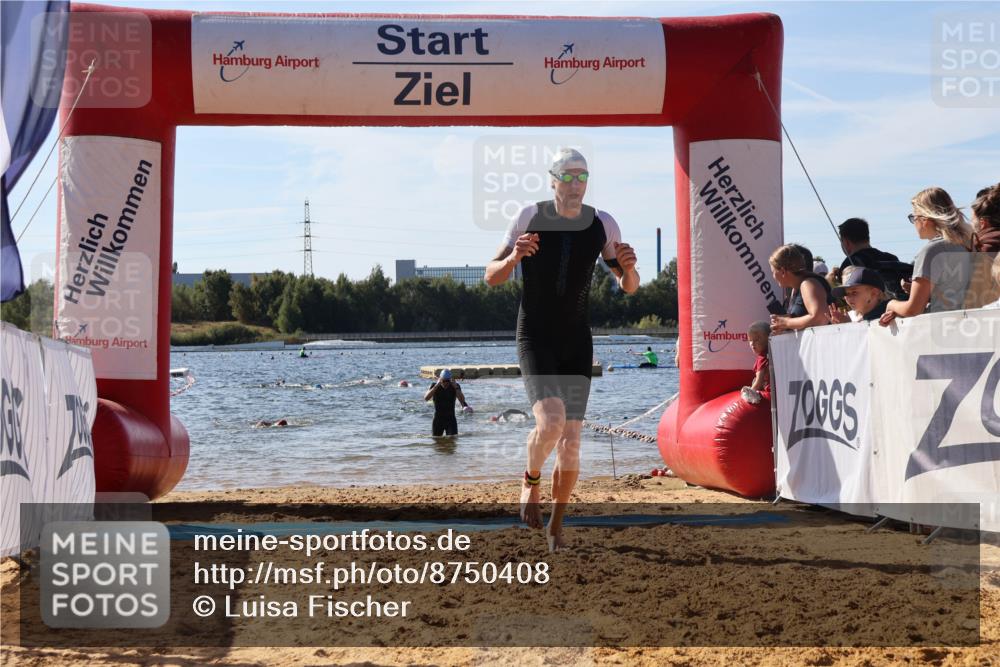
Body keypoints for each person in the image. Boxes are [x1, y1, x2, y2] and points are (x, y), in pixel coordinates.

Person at [484, 147, 639, 551]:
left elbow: (628, 286)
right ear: (552, 180)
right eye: (567, 177)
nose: (575, 184)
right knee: (551, 423)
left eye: (582, 177)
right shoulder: (529, 216)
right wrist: (515, 257)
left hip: (576, 340)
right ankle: (530, 480)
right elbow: (490, 276)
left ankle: (556, 525)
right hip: (535, 336)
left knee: (571, 443)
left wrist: (630, 269)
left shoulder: (603, 223)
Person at [880, 187, 974, 326]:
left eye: (914, 217)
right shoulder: (967, 245)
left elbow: (913, 309)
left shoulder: (932, 251)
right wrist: (925, 291)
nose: (914, 223)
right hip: (969, 325)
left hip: (939, 329)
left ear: (925, 219)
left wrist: (892, 305)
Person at [837, 217, 912, 300]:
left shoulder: (850, 263)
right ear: (867, 237)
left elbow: (846, 296)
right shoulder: (891, 258)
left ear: (846, 242)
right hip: (900, 304)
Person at [768, 244, 832, 334]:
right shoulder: (799, 287)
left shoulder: (808, 284)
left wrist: (786, 322)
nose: (773, 276)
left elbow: (821, 318)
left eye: (773, 272)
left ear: (783, 271)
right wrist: (784, 323)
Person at [424, 369, 470, 436]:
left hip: (451, 419)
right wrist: (436, 386)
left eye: (448, 381)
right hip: (438, 420)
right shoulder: (434, 386)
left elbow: (462, 401)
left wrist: (456, 387)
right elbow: (426, 398)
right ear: (440, 379)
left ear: (451, 380)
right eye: (444, 381)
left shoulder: (455, 386)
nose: (446, 383)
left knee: (453, 439)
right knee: (436, 440)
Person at [740, 321, 771, 405]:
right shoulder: (772, 353)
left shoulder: (763, 357)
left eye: (757, 340)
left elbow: (759, 382)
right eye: (750, 340)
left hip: (769, 392)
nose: (752, 343)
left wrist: (750, 393)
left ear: (768, 339)